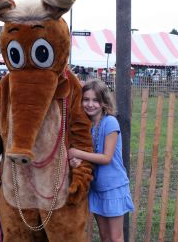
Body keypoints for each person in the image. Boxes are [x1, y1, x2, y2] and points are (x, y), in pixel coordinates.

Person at [68, 78, 134, 242]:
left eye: (95, 100)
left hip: (112, 188)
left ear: (103, 102)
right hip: (96, 188)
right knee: (104, 237)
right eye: (86, 99)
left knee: (115, 237)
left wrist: (77, 153)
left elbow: (105, 157)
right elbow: (88, 154)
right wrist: (76, 162)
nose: (90, 104)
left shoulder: (110, 123)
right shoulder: (87, 126)